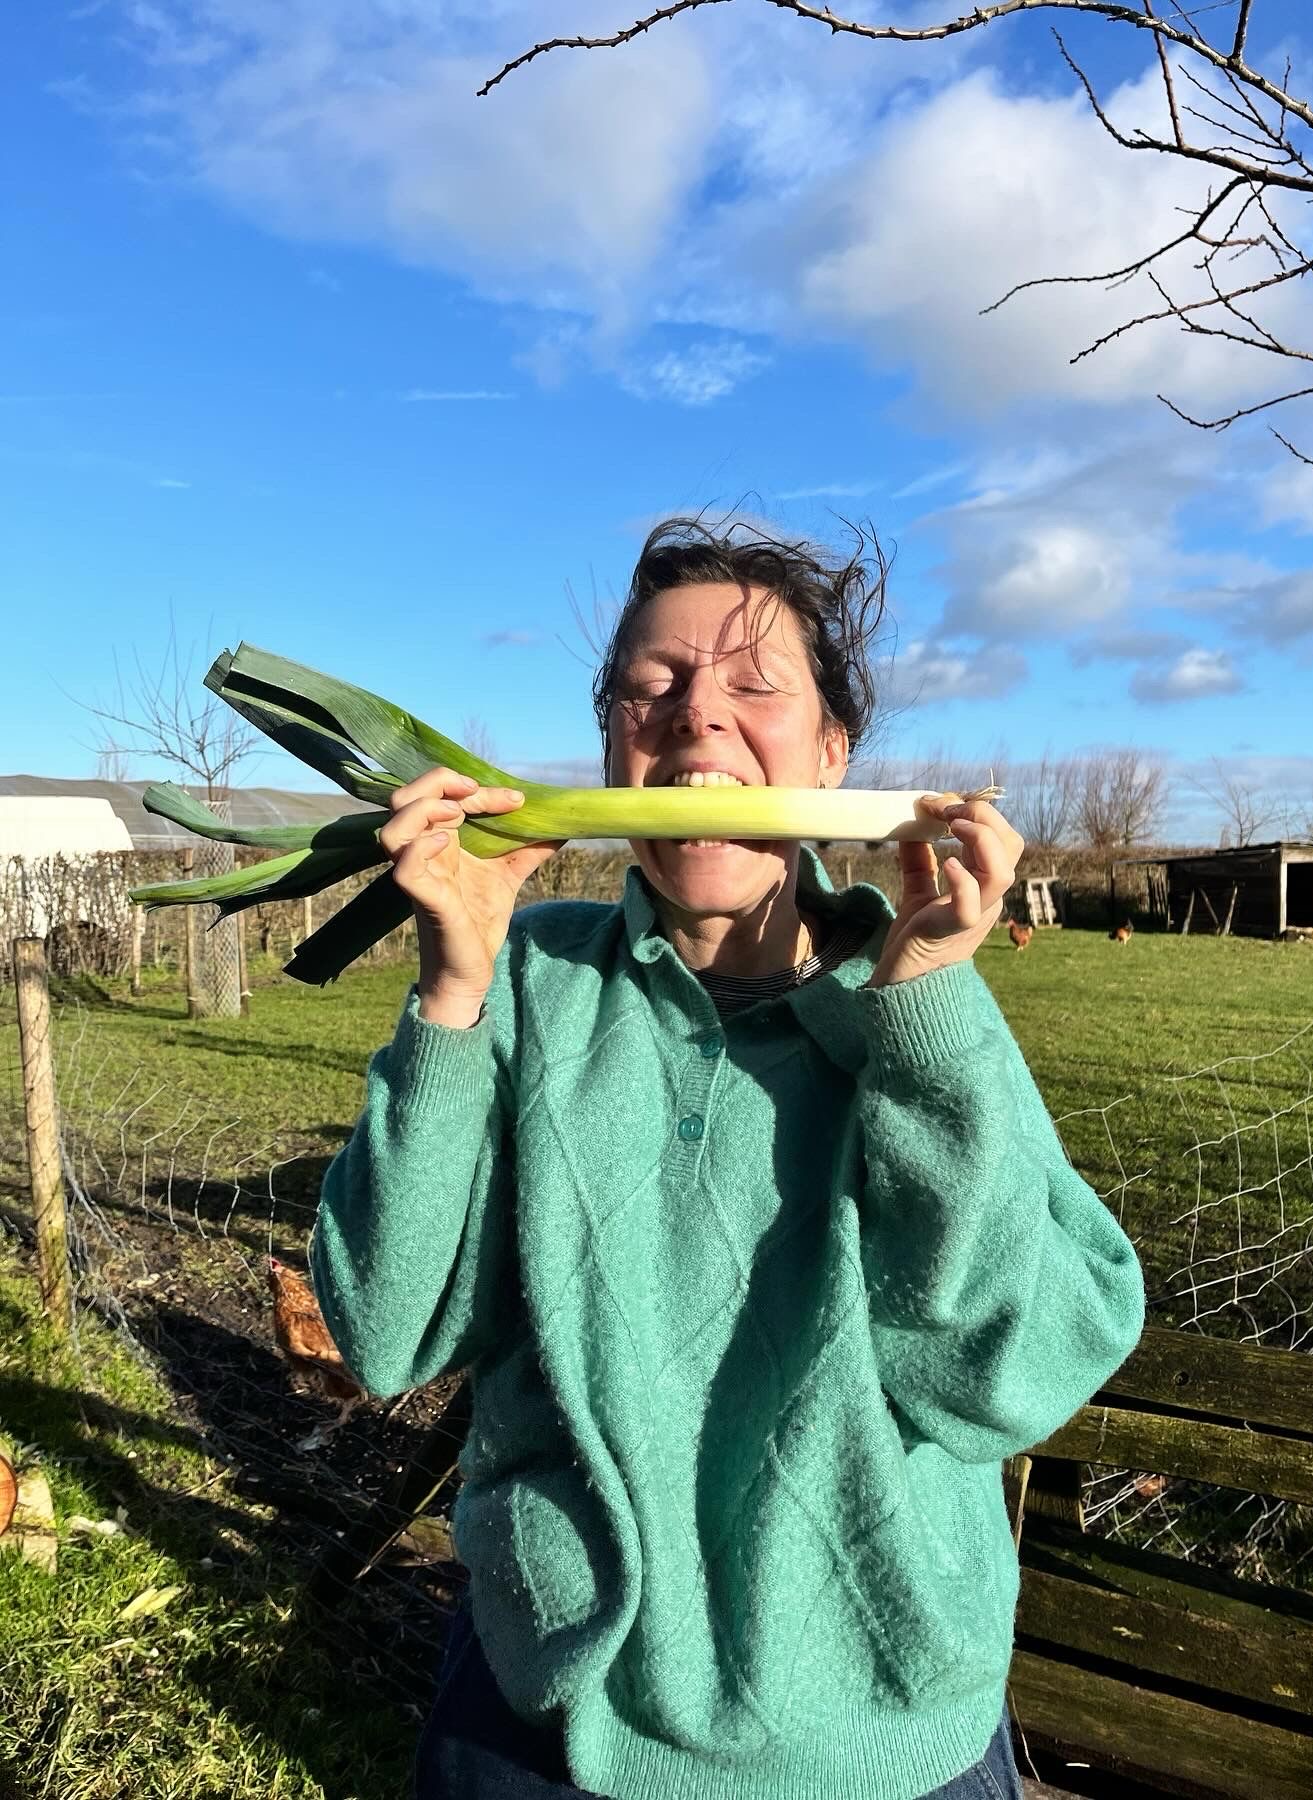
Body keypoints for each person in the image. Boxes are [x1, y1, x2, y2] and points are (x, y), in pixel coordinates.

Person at [309, 517, 1146, 1800]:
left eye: (756, 688)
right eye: (650, 690)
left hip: (885, 1731)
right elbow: (388, 1330)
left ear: (832, 752)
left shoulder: (913, 1002)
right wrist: (454, 989)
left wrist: (922, 1010)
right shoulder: (527, 982)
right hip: (559, 1709)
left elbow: (1002, 1376)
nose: (696, 718)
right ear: (608, 746)